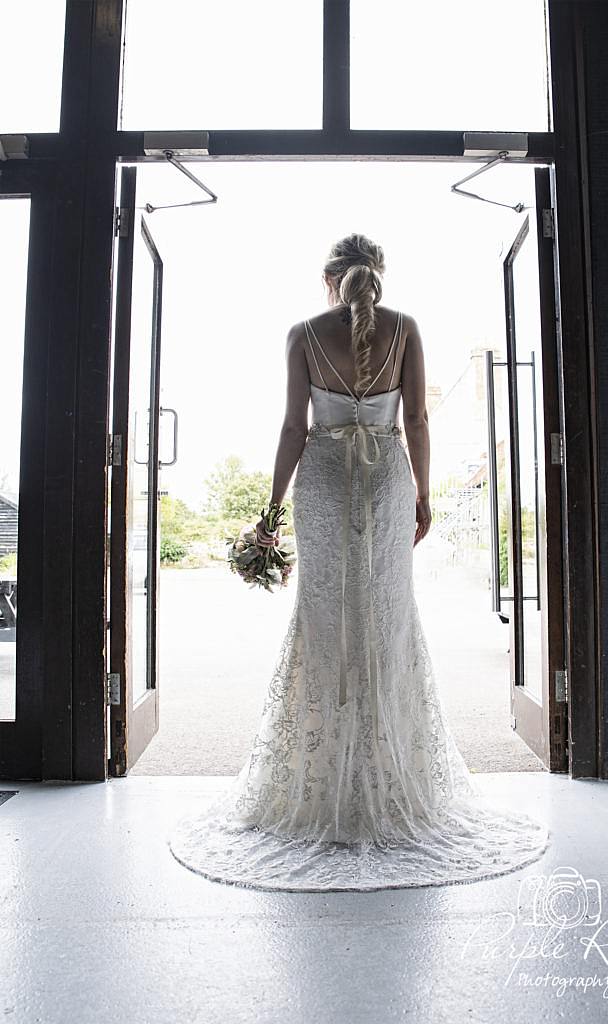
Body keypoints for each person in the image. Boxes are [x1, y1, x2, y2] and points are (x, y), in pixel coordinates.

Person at [168, 233, 550, 891]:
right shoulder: (405, 329)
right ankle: (385, 774)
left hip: (320, 480)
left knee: (322, 621)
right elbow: (418, 422)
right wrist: (423, 496)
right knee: (384, 620)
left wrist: (269, 507)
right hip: (384, 483)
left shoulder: (303, 333)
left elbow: (294, 427)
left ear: (328, 278)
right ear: (377, 277)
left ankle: (321, 781)